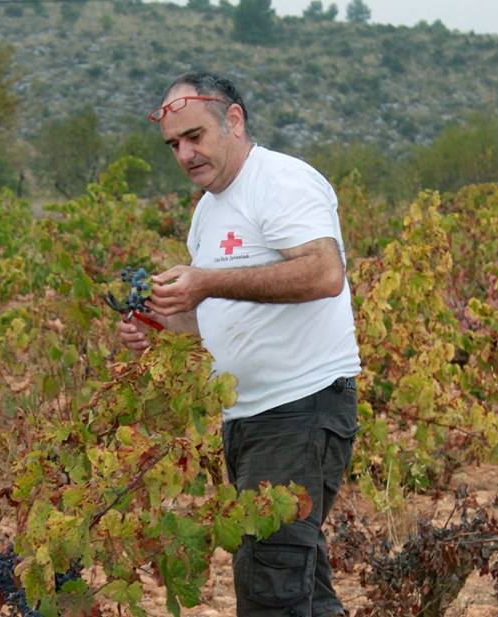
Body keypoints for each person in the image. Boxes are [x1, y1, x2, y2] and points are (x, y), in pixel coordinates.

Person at [118, 71, 361, 617]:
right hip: (248, 418)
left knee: (271, 588)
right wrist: (155, 326)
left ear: (233, 120)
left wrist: (205, 282)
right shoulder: (208, 210)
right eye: (173, 145)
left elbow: (324, 273)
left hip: (300, 409)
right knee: (299, 584)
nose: (184, 154)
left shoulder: (280, 182)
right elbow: (218, 317)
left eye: (195, 137)